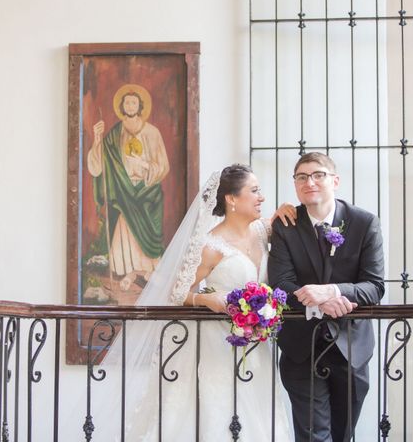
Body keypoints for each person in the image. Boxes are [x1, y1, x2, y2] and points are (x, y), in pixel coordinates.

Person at [88, 164, 292, 441]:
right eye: (254, 191)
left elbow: (279, 221)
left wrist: (285, 209)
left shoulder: (260, 231)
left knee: (258, 413)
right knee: (218, 410)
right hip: (217, 343)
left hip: (257, 345)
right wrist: (205, 298)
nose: (261, 197)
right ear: (231, 199)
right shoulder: (210, 246)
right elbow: (176, 292)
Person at [268, 152, 385, 442]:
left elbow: (374, 286)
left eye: (318, 174)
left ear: (335, 180)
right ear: (295, 184)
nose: (310, 182)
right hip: (301, 348)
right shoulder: (285, 226)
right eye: (302, 177)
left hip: (351, 347)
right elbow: (281, 284)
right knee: (313, 436)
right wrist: (319, 300)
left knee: (343, 434)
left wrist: (334, 291)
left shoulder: (364, 223)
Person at [87, 83, 170, 291]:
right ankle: (131, 272)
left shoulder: (152, 132)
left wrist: (144, 167)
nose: (131, 105)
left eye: (134, 102)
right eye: (127, 102)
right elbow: (99, 167)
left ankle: (145, 271)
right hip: (124, 191)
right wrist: (97, 140)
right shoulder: (116, 134)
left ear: (140, 106)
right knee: (126, 226)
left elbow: (163, 166)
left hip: (147, 190)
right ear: (122, 106)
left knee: (148, 233)